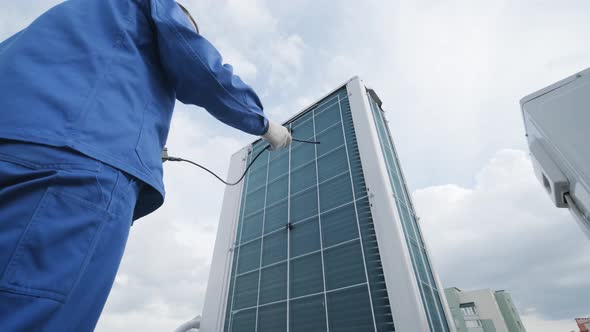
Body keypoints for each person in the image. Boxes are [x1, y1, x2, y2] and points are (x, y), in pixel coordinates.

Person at [0, 0, 291, 330]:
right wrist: (263, 123)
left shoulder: (51, 25)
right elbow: (196, 60)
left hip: (16, 147)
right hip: (77, 168)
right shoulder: (150, 6)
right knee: (34, 313)